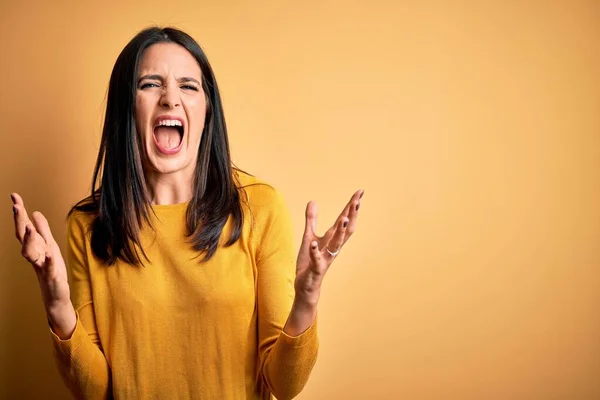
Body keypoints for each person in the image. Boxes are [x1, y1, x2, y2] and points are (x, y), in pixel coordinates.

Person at [11, 26, 363, 400]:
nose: (170, 99)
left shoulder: (260, 208)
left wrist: (307, 297)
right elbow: (94, 390)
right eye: (149, 84)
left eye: (188, 86)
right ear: (125, 107)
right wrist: (56, 302)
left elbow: (283, 384)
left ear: (207, 109)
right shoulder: (89, 226)